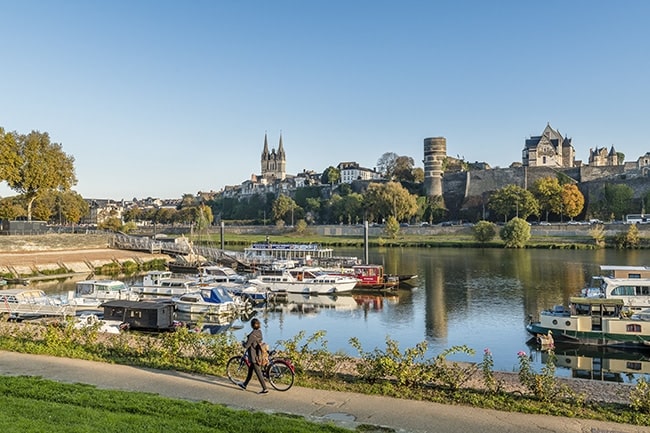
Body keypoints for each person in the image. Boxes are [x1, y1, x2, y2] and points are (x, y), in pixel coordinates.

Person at [238, 318, 269, 394]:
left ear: (252, 325)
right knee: (250, 371)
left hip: (254, 356)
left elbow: (246, 345)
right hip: (258, 354)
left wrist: (243, 343)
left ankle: (265, 389)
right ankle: (244, 384)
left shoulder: (252, 335)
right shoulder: (260, 332)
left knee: (258, 373)